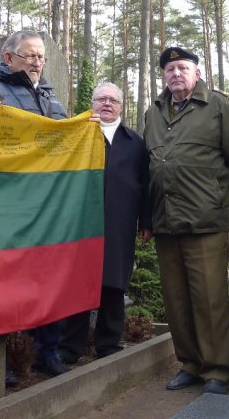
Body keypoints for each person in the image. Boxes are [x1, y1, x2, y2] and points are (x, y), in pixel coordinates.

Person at [143, 47, 229, 395]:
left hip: (205, 220)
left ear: (196, 72)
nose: (175, 74)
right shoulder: (154, 112)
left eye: (182, 67)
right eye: (169, 69)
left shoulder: (218, 105)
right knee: (176, 299)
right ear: (163, 76)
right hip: (166, 221)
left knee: (209, 298)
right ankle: (190, 364)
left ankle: (218, 371)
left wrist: (217, 194)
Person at [0, 30, 68, 383]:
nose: (37, 62)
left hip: (44, 203)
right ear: (9, 58)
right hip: (8, 200)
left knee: (46, 278)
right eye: (30, 56)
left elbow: (65, 133)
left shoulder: (49, 94)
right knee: (7, 282)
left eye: (41, 57)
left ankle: (45, 352)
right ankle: (6, 359)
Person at [57, 82, 151, 364]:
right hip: (79, 224)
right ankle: (70, 347)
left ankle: (108, 344)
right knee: (78, 283)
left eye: (113, 100)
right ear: (92, 103)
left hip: (119, 224)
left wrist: (146, 221)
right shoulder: (76, 135)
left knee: (113, 283)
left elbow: (146, 185)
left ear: (121, 107)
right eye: (101, 99)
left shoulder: (135, 143)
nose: (107, 104)